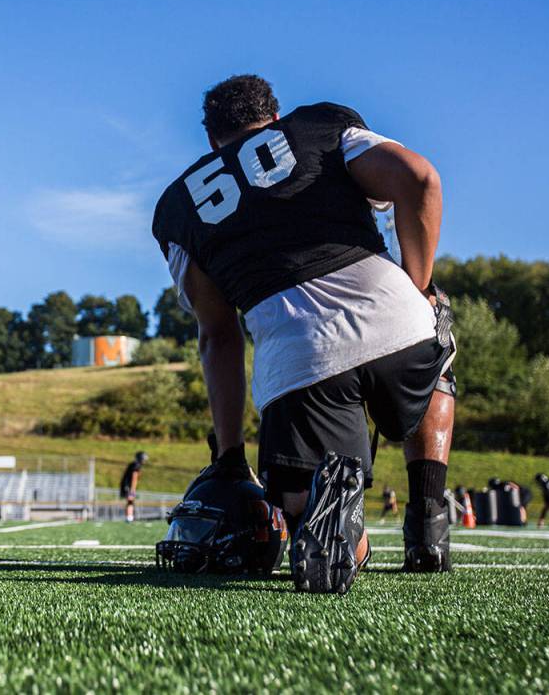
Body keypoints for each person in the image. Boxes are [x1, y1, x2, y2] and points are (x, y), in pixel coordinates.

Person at [152, 75, 456, 593]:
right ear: (274, 118)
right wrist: (419, 288)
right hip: (393, 319)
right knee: (435, 327)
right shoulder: (319, 124)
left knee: (306, 507)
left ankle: (340, 523)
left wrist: (229, 455)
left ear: (210, 140)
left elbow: (218, 337)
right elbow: (421, 179)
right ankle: (427, 519)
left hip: (297, 357)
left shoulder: (176, 208)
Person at [119, 451, 148, 523]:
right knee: (130, 501)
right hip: (128, 486)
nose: (144, 461)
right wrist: (132, 489)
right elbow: (134, 477)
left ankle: (129, 517)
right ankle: (129, 518)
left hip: (125, 485)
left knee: (130, 502)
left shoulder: (133, 464)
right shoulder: (136, 465)